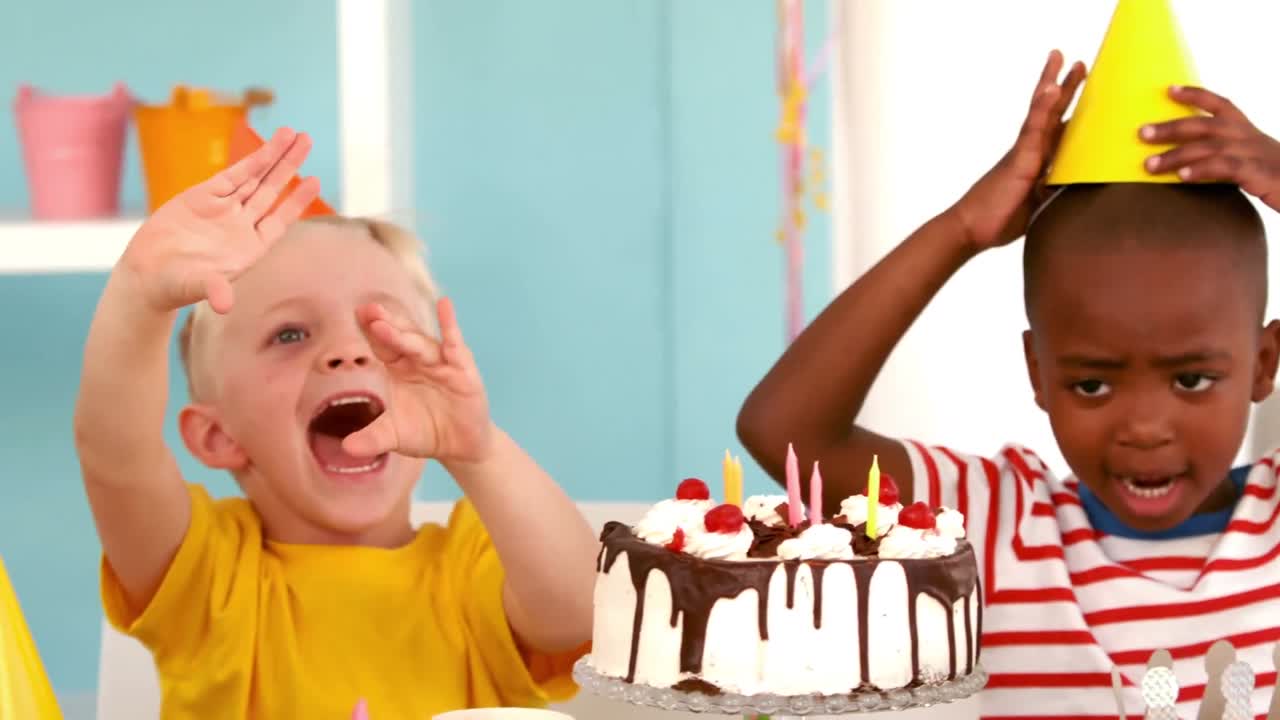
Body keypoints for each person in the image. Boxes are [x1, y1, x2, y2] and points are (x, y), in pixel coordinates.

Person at [737, 49, 1280, 718]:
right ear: (1038, 374)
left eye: (1192, 378)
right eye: (1092, 386)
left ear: (1263, 365)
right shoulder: (1003, 525)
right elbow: (784, 429)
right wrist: (962, 229)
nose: (1144, 426)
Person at [73, 128, 598, 719]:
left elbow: (582, 609)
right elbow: (115, 455)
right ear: (218, 436)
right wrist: (140, 292)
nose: (348, 351)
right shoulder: (206, 576)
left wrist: (477, 448)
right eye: (289, 334)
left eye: (382, 328)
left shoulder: (477, 563)